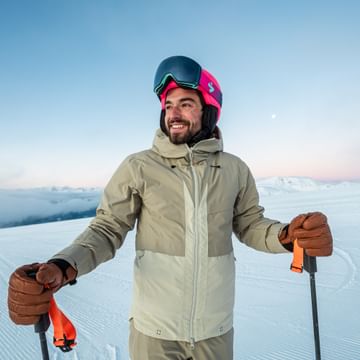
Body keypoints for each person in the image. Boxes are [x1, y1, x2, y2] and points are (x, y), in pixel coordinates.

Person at [8, 55, 333, 360]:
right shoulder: (139, 166)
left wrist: (288, 236)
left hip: (215, 331)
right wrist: (64, 265)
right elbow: (107, 230)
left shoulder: (234, 169)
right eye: (168, 105)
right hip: (155, 333)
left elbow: (250, 225)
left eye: (185, 104)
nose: (173, 113)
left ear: (208, 112)